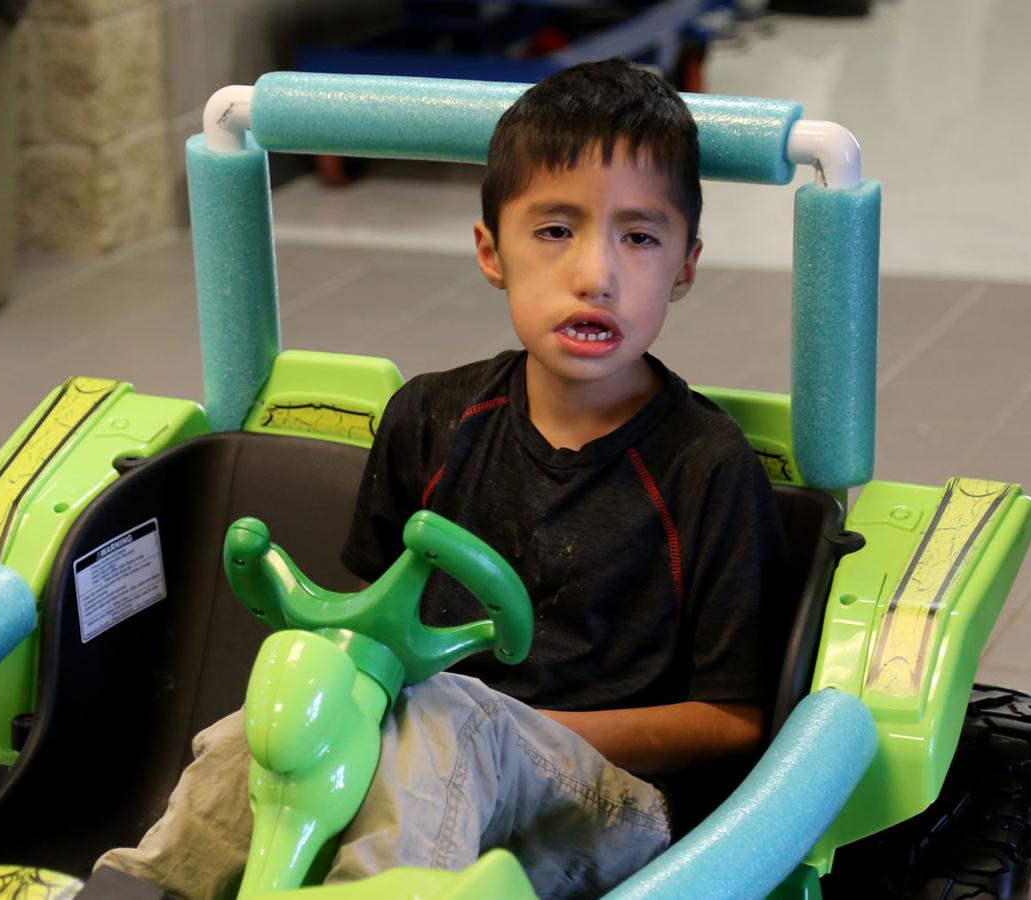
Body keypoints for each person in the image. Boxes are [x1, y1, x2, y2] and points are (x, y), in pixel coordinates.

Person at [95, 58, 785, 899]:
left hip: (611, 811)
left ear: (683, 265)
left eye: (639, 237)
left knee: (443, 716)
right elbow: (369, 635)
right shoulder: (431, 418)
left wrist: (503, 726)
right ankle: (142, 886)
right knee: (290, 704)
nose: (596, 273)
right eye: (556, 230)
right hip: (428, 760)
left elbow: (732, 720)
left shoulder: (706, 467)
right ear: (493, 252)